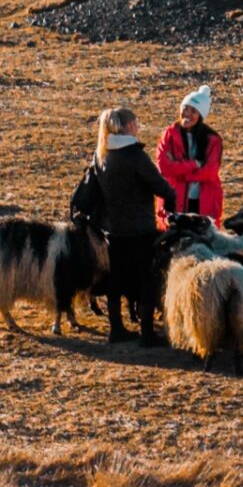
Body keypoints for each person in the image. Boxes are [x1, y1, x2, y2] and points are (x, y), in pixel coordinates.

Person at [69, 106, 175, 345]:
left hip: (113, 231)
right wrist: (171, 203)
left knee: (116, 279)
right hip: (141, 230)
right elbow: (161, 186)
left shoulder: (101, 154)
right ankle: (147, 334)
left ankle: (116, 329)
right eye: (135, 123)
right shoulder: (135, 156)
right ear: (127, 126)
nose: (137, 127)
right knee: (146, 278)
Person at [156, 85, 223, 228]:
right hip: (175, 199)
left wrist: (180, 172)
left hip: (202, 201)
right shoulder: (169, 134)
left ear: (200, 116)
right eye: (185, 108)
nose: (187, 113)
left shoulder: (213, 139)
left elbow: (210, 172)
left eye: (193, 111)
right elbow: (164, 167)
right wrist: (194, 165)